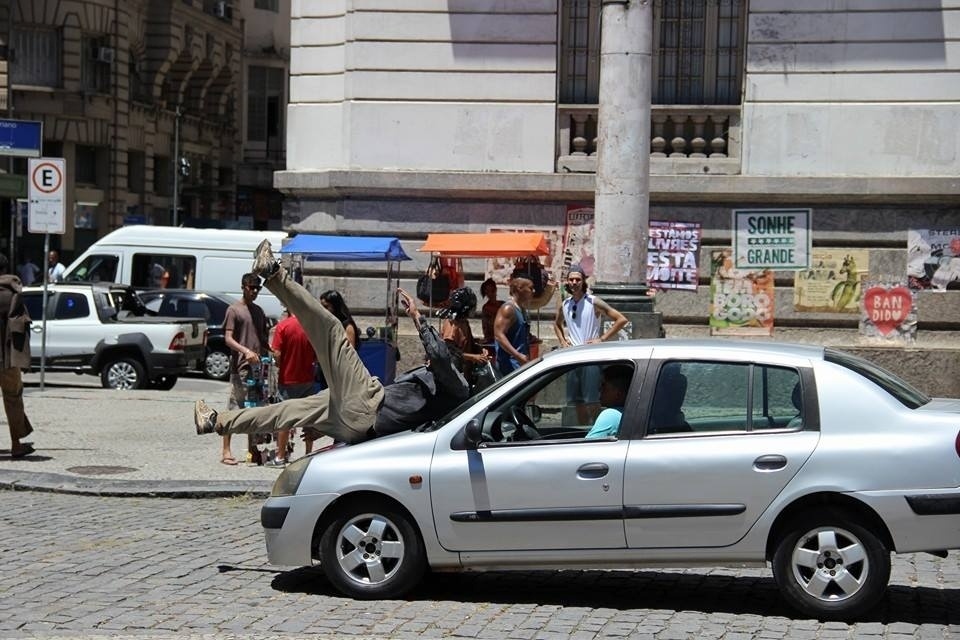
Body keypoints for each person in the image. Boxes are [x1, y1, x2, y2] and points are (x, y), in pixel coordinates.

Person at [193, 240, 469, 445]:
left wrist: (418, 317)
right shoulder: (440, 391)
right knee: (285, 411)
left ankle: (274, 274)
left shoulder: (455, 385)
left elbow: (440, 356)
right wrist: (326, 427)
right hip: (359, 423)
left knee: (332, 330)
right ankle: (216, 421)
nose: (428, 360)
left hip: (367, 405)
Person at [553, 263, 628, 423]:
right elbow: (557, 324)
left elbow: (620, 319)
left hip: (590, 357)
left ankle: (595, 426)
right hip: (572, 357)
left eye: (577, 279)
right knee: (575, 400)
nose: (574, 283)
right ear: (567, 281)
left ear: (583, 281)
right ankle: (580, 429)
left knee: (592, 399)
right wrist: (563, 341)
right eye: (571, 279)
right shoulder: (565, 304)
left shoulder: (593, 302)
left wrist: (601, 339)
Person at [219, 272, 270, 465]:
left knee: (254, 410)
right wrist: (245, 351)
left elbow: (263, 339)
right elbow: (228, 339)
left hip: (258, 368)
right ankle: (226, 451)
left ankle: (253, 450)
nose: (255, 291)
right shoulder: (234, 310)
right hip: (240, 367)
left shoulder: (258, 311)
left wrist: (274, 352)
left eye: (258, 288)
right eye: (251, 287)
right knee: (234, 409)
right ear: (243, 287)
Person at [269, 309, 317, 465]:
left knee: (285, 419)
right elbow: (317, 354)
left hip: (287, 379)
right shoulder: (311, 326)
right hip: (307, 378)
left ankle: (280, 456)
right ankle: (309, 454)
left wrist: (280, 364)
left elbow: (276, 353)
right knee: (309, 418)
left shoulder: (283, 326)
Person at [0, 254, 35, 458]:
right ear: (5, 270)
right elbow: (20, 326)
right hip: (7, 359)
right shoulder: (13, 295)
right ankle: (16, 444)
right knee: (13, 399)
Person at [439, 287, 490, 386]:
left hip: (466, 374)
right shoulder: (452, 325)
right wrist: (473, 357)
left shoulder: (464, 322)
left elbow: (467, 342)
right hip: (454, 376)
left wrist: (480, 349)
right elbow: (449, 352)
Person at [493, 270, 535, 375]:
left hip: (520, 366)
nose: (533, 291)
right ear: (519, 288)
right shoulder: (508, 309)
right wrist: (517, 355)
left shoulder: (522, 310)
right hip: (509, 368)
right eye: (530, 288)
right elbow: (499, 335)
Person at [584, 364, 633, 439]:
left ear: (618, 393)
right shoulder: (631, 414)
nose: (599, 389)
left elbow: (586, 447)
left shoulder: (611, 415)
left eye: (603, 385)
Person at [478, 278, 502, 347]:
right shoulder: (486, 308)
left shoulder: (503, 305)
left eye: (492, 291)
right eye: (487, 292)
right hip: (492, 339)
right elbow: (485, 327)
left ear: (495, 290)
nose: (490, 294)